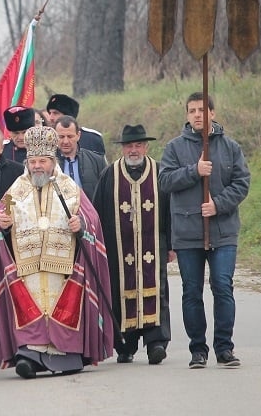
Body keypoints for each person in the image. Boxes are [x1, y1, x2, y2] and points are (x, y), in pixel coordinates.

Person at [0, 126, 114, 378]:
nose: (37, 166)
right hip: (28, 268)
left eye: (42, 161)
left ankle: (65, 355)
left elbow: (91, 219)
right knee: (30, 308)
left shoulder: (68, 188)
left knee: (62, 309)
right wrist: (1, 223)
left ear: (52, 161)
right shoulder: (16, 190)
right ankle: (30, 354)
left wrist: (82, 225)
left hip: (63, 269)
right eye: (33, 161)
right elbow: (0, 215)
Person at [159, 92, 250, 369]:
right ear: (186, 115)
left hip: (223, 231)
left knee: (223, 285)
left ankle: (224, 347)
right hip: (187, 232)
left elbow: (242, 183)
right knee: (191, 291)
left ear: (213, 112)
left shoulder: (230, 147)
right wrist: (194, 170)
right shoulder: (174, 148)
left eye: (202, 109)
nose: (197, 114)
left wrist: (218, 205)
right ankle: (198, 349)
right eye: (192, 110)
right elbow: (164, 181)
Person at [93, 124, 171, 365]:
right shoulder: (109, 175)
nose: (133, 150)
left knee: (157, 290)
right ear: (122, 149)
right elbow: (97, 213)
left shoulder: (159, 172)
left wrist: (171, 245)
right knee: (119, 292)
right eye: (129, 146)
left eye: (138, 145)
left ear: (146, 147)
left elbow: (170, 211)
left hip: (153, 247)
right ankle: (125, 345)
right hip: (118, 250)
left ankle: (156, 342)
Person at [55, 115, 107, 202]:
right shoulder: (48, 162)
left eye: (70, 136)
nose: (65, 141)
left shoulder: (97, 161)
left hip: (89, 214)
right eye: (61, 137)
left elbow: (105, 193)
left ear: (78, 135)